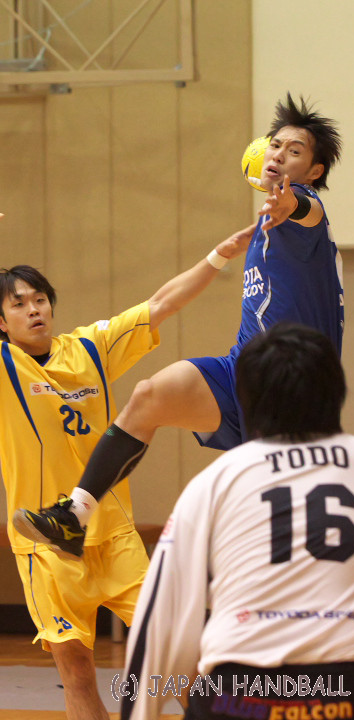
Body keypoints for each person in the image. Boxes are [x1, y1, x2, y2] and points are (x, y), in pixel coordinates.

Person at [15, 93, 345, 558]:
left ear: (313, 172)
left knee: (276, 517)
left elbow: (306, 209)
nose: (278, 155)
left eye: (295, 151)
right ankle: (75, 517)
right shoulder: (265, 226)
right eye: (275, 145)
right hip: (241, 369)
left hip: (293, 388)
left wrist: (290, 202)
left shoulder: (304, 211)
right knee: (149, 395)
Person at [119, 323, 354, 720]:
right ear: (337, 391)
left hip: (237, 695)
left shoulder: (218, 479)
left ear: (246, 400)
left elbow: (160, 617)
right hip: (347, 694)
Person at [0, 222, 254, 720]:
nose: (34, 309)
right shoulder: (6, 364)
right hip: (46, 547)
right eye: (19, 303)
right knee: (76, 671)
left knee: (177, 655)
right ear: (2, 322)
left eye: (40, 299)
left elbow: (162, 303)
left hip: (114, 535)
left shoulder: (89, 348)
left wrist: (219, 255)